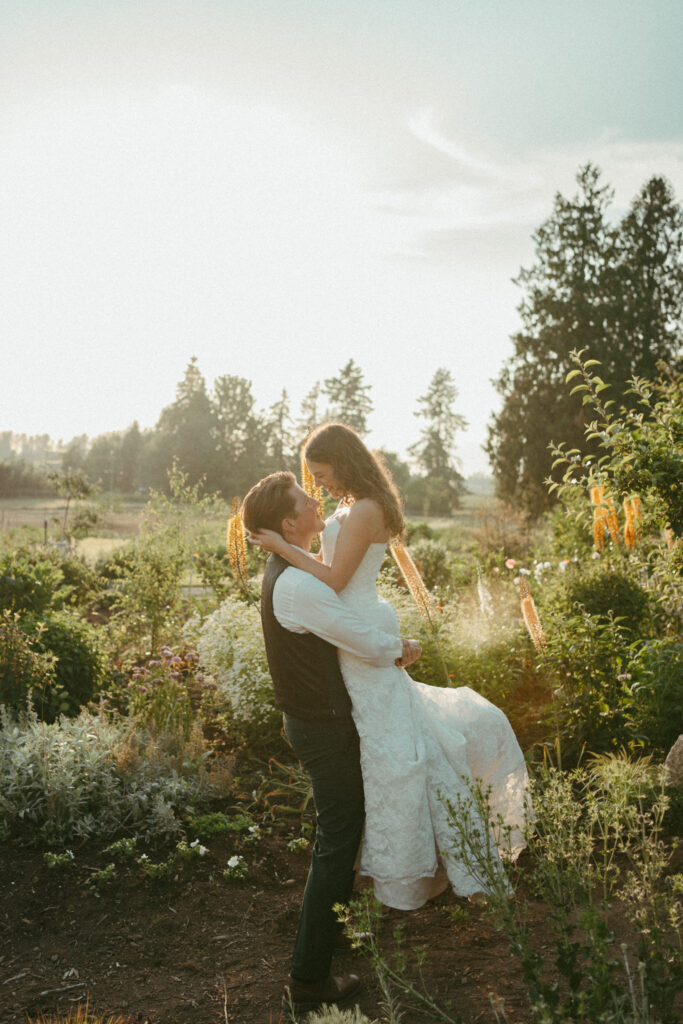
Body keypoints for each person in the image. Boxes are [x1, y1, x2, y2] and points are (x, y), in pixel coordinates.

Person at [249, 423, 529, 913]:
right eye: (310, 478)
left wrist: (282, 548)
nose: (318, 485)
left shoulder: (367, 509)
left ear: (343, 460)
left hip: (362, 630)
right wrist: (294, 552)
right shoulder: (351, 507)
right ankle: (401, 864)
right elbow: (332, 570)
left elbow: (334, 579)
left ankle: (420, 871)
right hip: (354, 628)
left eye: (321, 473)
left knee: (394, 753)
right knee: (389, 748)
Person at [240, 470, 423, 1017]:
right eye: (305, 498)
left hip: (316, 720)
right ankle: (309, 977)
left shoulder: (290, 569)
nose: (315, 497)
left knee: (341, 831)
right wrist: (400, 645)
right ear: (289, 523)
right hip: (320, 726)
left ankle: (326, 943)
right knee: (338, 839)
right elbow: (357, 636)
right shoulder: (295, 585)